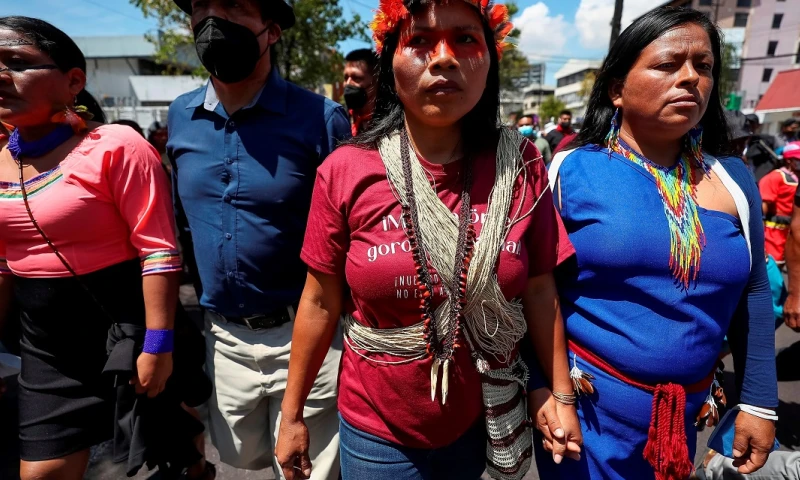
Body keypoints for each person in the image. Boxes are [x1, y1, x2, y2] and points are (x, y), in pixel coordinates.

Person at [275, 1, 582, 479]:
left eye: (465, 39)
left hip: (481, 417)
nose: (443, 57)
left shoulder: (520, 165)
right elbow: (318, 303)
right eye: (419, 40)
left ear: (489, 62)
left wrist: (559, 394)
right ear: (390, 60)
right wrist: (291, 415)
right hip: (378, 430)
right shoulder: (345, 170)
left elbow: (541, 289)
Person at [540, 7, 778, 479]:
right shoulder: (568, 171)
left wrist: (760, 400)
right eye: (668, 65)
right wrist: (543, 391)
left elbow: (753, 292)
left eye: (704, 66)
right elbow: (532, 288)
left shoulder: (733, 179)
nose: (691, 78)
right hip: (583, 422)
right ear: (616, 89)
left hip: (685, 420)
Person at [0, 17, 211, 480]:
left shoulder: (116, 145)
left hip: (126, 334)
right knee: (41, 473)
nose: (1, 76)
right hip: (46, 350)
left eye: (16, 62)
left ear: (74, 80)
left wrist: (158, 345)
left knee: (171, 453)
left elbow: (158, 250)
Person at [167, 0, 351, 477]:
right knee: (242, 458)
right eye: (201, 7)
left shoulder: (321, 118)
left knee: (305, 469)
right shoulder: (180, 116)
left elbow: (351, 231)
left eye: (232, 6)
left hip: (308, 337)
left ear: (271, 30)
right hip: (224, 337)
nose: (212, 21)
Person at [759, 141, 800, 265]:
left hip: (790, 233)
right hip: (773, 235)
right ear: (789, 160)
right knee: (773, 268)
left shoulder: (797, 178)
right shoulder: (776, 177)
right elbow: (762, 209)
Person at [343, 48, 378, 136]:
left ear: (376, 80)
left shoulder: (394, 122)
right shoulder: (341, 119)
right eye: (346, 78)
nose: (348, 84)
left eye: (357, 78)